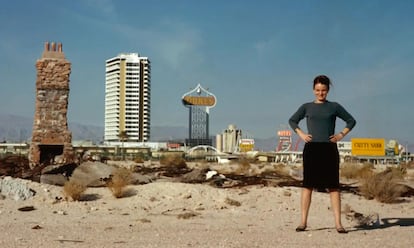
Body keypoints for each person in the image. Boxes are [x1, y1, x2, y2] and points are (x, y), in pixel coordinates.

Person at [288, 75, 356, 234]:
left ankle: (338, 224)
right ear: (313, 90)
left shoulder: (334, 106)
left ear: (328, 90)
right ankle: (303, 222)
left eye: (323, 90)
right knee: (307, 186)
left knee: (333, 187)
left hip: (329, 149)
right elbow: (292, 121)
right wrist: (301, 134)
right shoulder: (306, 107)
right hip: (311, 149)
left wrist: (340, 135)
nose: (320, 93)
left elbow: (351, 121)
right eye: (318, 90)